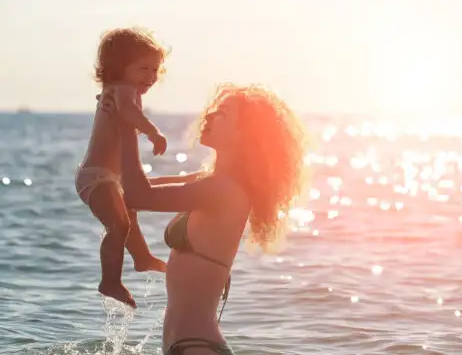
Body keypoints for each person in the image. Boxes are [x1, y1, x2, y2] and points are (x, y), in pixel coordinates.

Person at [102, 83, 307, 354]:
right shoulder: (206, 181)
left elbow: (139, 196)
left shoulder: (224, 190)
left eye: (221, 114)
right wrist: (114, 123)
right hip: (184, 346)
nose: (209, 116)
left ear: (243, 135)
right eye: (212, 110)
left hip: (198, 347)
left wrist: (129, 124)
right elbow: (124, 190)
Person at [75, 27, 170, 309]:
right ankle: (110, 281)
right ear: (119, 67)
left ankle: (141, 258)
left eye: (155, 70)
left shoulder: (113, 90)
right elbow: (130, 112)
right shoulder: (124, 90)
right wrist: (153, 132)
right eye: (143, 68)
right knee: (119, 225)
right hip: (96, 178)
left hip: (107, 177)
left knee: (130, 218)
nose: (151, 77)